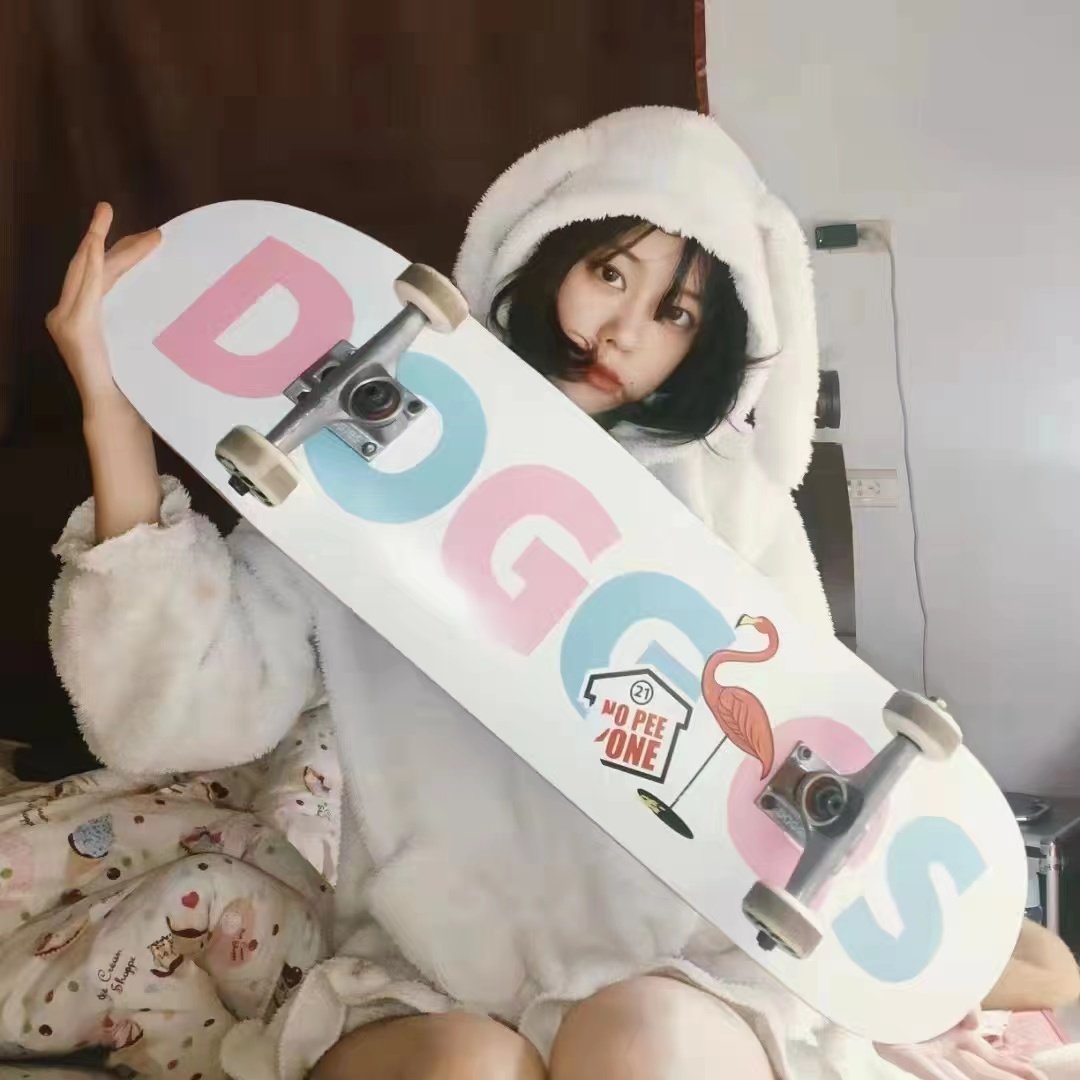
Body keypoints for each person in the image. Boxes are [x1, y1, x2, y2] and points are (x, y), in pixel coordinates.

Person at [43, 107, 1069, 1080]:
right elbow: (180, 717)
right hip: (432, 966)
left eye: (673, 314)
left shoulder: (731, 498)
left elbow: (805, 742)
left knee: (641, 1041)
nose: (622, 332)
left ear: (703, 346)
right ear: (544, 252)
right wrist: (112, 411)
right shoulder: (359, 454)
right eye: (608, 272)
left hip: (685, 963)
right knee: (472, 1070)